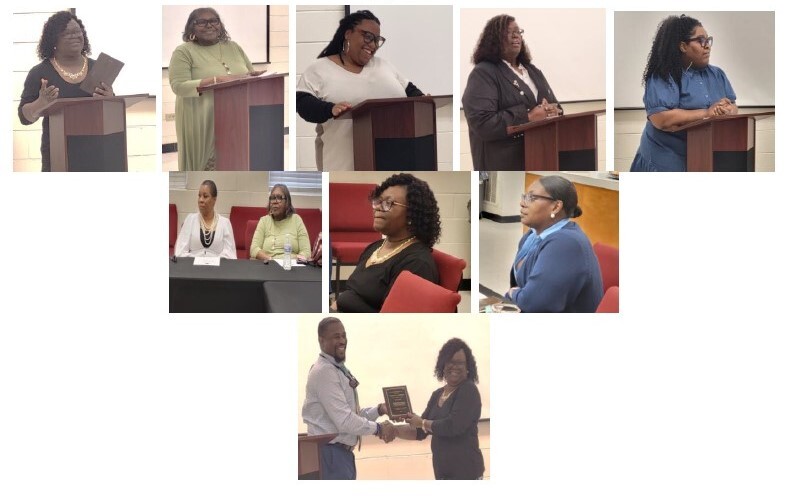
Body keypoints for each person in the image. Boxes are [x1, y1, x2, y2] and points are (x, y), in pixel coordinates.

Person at [296, 10, 426, 171]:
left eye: (377, 40)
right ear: (348, 34)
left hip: (392, 162)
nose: (372, 45)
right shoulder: (319, 69)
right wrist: (330, 109)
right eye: (368, 36)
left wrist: (423, 99)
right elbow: (302, 103)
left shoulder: (384, 66)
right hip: (342, 166)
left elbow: (411, 90)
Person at [630, 14, 737, 172]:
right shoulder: (664, 75)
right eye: (701, 40)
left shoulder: (717, 74)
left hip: (703, 154)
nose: (707, 45)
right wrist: (707, 113)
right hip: (666, 157)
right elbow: (661, 118)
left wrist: (727, 110)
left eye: (708, 40)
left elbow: (733, 105)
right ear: (683, 46)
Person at [169, 8, 264, 171]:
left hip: (236, 116)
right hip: (202, 117)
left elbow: (250, 74)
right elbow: (178, 86)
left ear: (220, 25)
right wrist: (215, 80)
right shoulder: (183, 51)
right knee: (206, 167)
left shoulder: (233, 47)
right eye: (201, 22)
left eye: (214, 20)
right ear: (191, 27)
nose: (209, 25)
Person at [462, 14, 562, 171]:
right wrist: (528, 117)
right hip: (505, 163)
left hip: (541, 156)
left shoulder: (532, 70)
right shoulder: (484, 73)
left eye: (518, 32)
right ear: (494, 39)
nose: (516, 36)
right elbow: (482, 123)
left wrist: (554, 110)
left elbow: (556, 106)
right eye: (509, 32)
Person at [18, 11, 115, 172]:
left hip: (98, 149)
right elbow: (24, 118)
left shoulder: (98, 67)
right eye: (67, 33)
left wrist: (110, 98)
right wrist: (40, 104)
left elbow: (111, 110)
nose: (75, 36)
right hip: (58, 152)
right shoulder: (40, 72)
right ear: (53, 39)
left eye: (78, 31)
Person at [302, 317, 395, 480]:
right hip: (329, 456)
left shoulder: (337, 369)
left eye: (344, 336)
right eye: (336, 336)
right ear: (321, 341)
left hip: (341, 456)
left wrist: (379, 410)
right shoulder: (324, 372)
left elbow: (351, 415)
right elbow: (344, 421)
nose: (342, 341)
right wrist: (379, 429)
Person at [334, 174, 440, 312]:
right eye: (377, 201)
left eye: (388, 203)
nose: (377, 208)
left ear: (412, 214)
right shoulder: (376, 246)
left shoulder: (416, 264)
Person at [507, 175, 603, 312]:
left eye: (532, 198)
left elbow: (534, 304)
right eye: (524, 196)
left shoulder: (566, 244)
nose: (522, 203)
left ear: (556, 206)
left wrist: (513, 294)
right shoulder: (531, 236)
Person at [397, 338, 485, 480]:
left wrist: (422, 423)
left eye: (460, 363)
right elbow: (420, 432)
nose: (454, 366)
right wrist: (392, 430)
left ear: (468, 367)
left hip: (466, 474)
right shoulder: (437, 394)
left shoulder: (469, 390)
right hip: (442, 474)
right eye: (450, 361)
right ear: (442, 365)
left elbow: (452, 426)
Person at [174, 180, 236, 258]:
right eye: (199, 196)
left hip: (218, 268)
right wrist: (198, 261)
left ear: (214, 199)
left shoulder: (224, 223)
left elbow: (230, 255)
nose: (201, 200)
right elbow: (180, 252)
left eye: (205, 196)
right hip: (192, 267)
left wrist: (212, 262)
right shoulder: (190, 220)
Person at [250, 184, 312, 262]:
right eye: (272, 198)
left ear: (287, 202)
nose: (275, 202)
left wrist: (291, 261)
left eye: (279, 198)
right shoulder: (264, 221)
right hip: (269, 266)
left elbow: (306, 252)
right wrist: (271, 260)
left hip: (291, 267)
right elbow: (254, 249)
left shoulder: (296, 220)